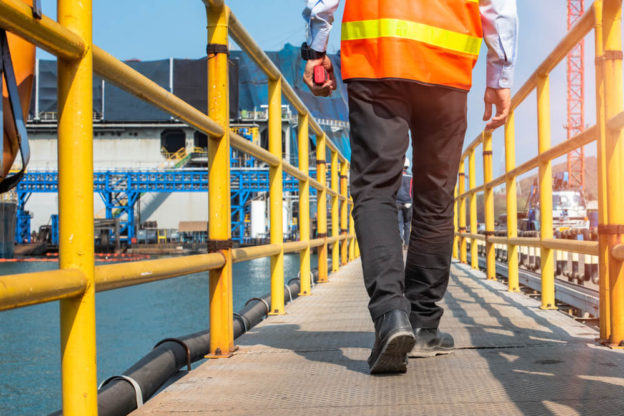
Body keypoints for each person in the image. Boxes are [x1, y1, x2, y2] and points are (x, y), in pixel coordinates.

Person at [302, 0, 518, 374]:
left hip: (376, 61)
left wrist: (316, 48)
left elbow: (322, 3)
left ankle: (390, 316)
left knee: (375, 190)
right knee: (435, 199)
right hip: (446, 68)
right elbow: (499, 8)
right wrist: (499, 77)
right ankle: (422, 325)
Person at [397, 159, 412, 250]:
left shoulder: (396, 176)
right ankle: (406, 244)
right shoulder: (411, 176)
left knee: (399, 222)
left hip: (397, 202)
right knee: (407, 223)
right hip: (408, 203)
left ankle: (399, 240)